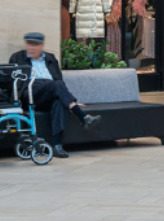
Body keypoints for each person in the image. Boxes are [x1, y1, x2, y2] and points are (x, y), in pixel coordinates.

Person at [8, 32, 100, 160]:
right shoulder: (17, 58)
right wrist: (8, 101)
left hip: (51, 91)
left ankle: (57, 146)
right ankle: (82, 116)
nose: (32, 48)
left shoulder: (50, 58)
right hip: (30, 91)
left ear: (42, 45)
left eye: (35, 45)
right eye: (29, 44)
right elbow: (10, 81)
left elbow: (60, 81)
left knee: (58, 101)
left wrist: (66, 99)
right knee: (55, 86)